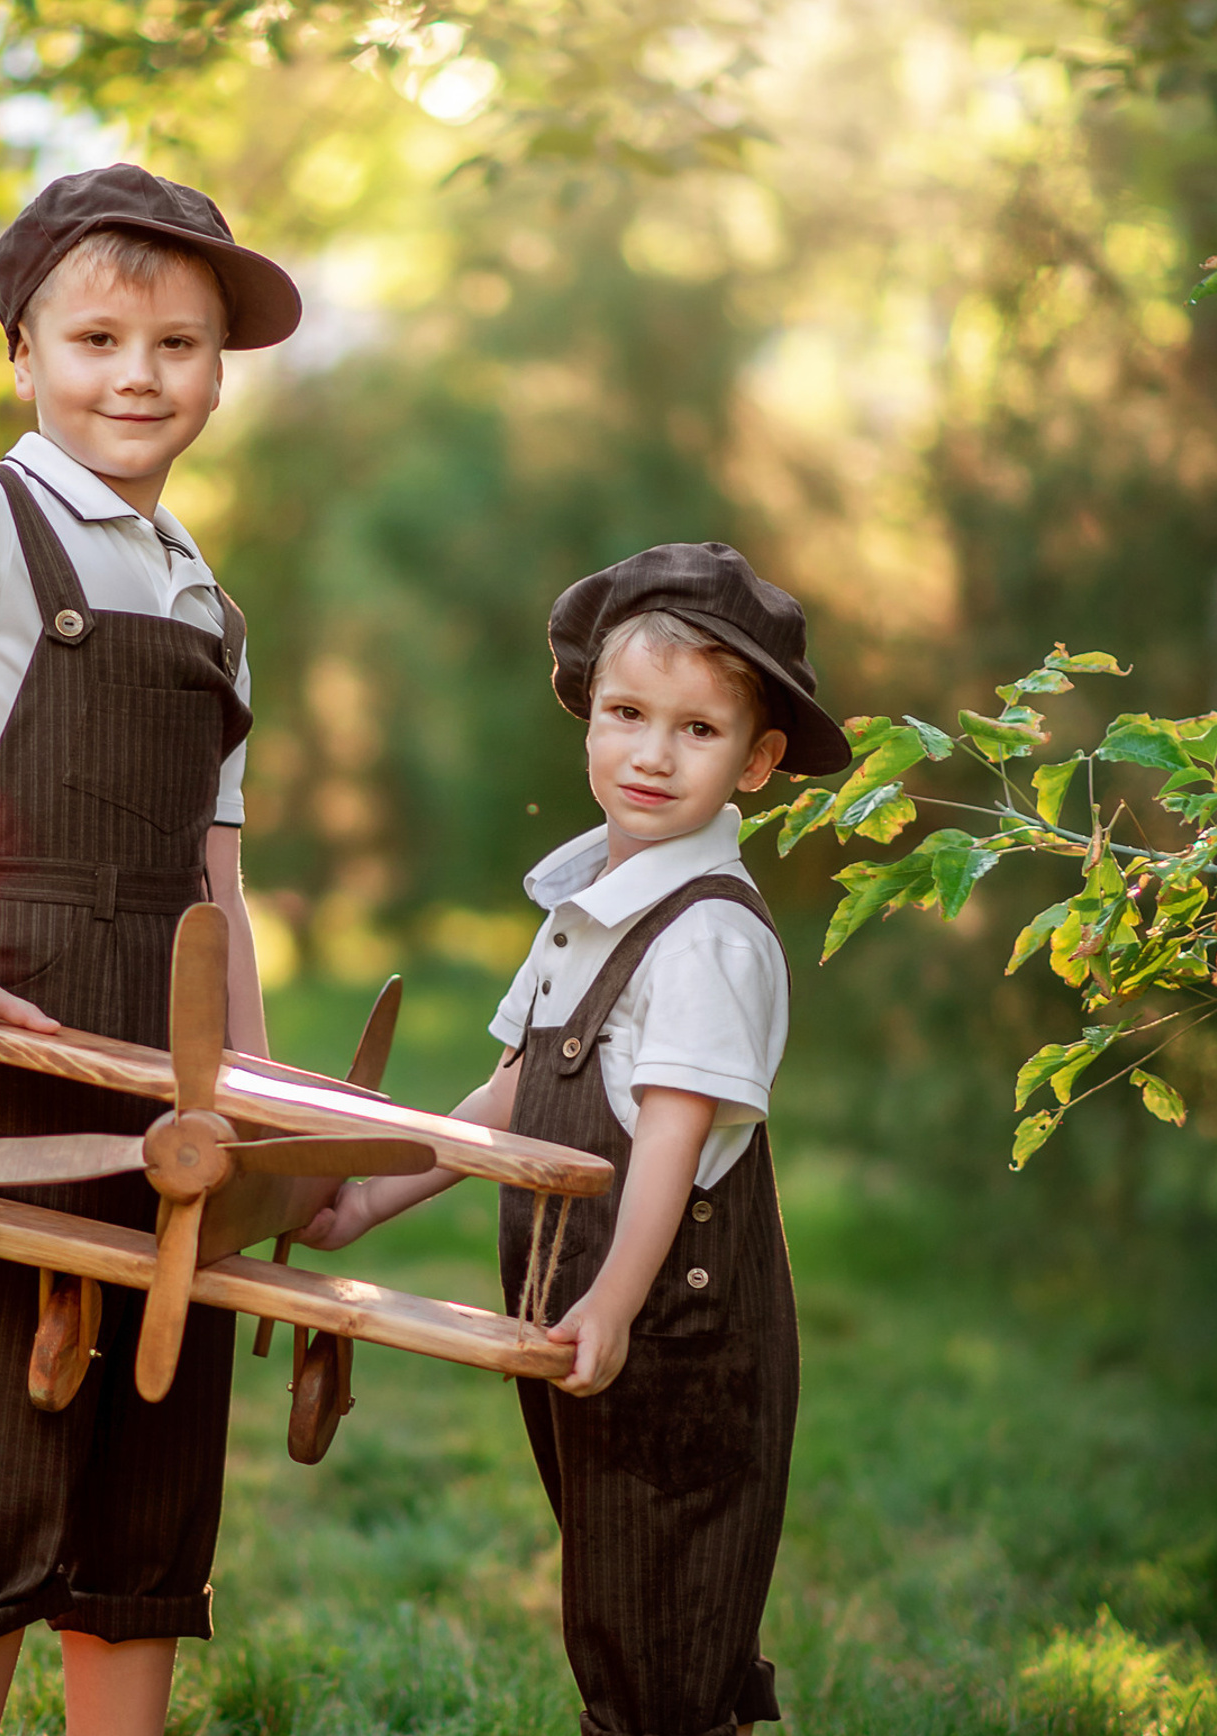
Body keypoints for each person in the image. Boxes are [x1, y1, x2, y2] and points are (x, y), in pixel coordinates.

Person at [0, 164, 300, 1736]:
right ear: (24, 354)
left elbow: (215, 873)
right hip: (12, 1042)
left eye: (176, 344)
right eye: (95, 339)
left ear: (221, 369)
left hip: (176, 1064)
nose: (136, 375)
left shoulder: (210, 599)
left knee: (153, 1446)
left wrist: (275, 1104)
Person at [300, 543, 852, 1736]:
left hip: (677, 1329)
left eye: (698, 731)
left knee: (666, 1627)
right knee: (620, 1605)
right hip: (596, 1312)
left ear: (759, 761)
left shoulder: (707, 936)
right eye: (627, 714)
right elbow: (513, 1093)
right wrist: (361, 1201)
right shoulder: (593, 907)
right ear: (587, 721)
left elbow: (671, 1134)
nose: (653, 753)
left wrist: (611, 1300)